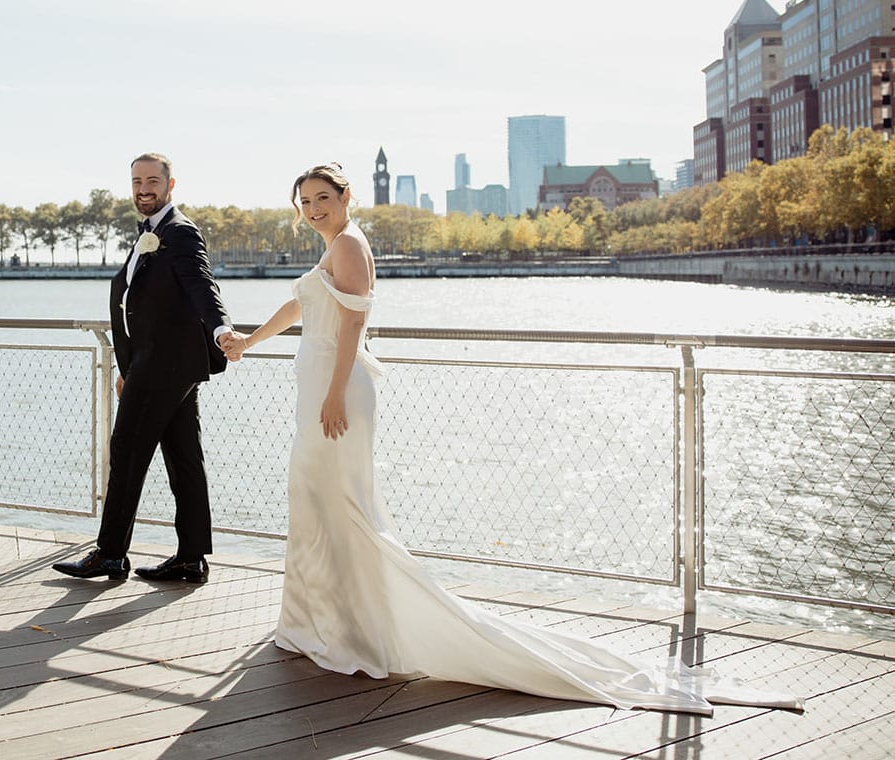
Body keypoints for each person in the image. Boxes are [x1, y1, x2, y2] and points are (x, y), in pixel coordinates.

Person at [219, 163, 801, 715]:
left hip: (336, 392)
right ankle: (324, 622)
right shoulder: (331, 249)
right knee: (317, 501)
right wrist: (248, 341)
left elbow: (350, 324)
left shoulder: (350, 245)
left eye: (324, 197)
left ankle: (348, 629)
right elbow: (301, 303)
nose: (314, 208)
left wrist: (335, 392)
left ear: (347, 198)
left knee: (341, 506)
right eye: (306, 201)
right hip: (321, 388)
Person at [54, 153, 232, 584]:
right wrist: (128, 365)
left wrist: (221, 329)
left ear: (172, 185)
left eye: (152, 181)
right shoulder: (150, 234)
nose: (143, 189)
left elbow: (201, 287)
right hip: (158, 366)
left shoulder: (180, 232)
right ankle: (191, 557)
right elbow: (138, 307)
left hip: (165, 368)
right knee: (184, 457)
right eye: (136, 181)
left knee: (128, 451)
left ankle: (111, 553)